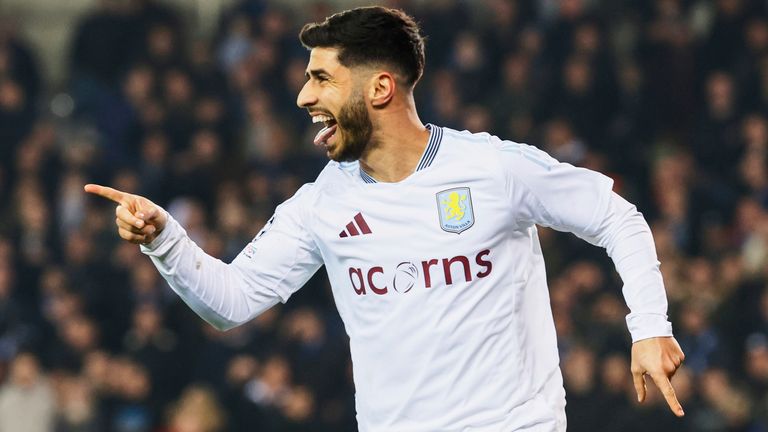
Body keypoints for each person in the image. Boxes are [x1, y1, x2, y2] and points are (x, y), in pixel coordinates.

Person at [85, 6, 685, 431]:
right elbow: (232, 300)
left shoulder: (492, 168)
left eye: (321, 78)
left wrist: (650, 326)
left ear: (379, 88)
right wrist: (164, 239)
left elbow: (616, 216)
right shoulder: (322, 204)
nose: (303, 96)